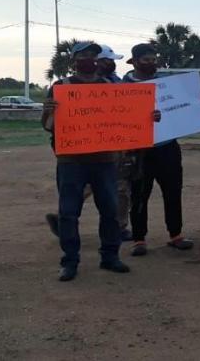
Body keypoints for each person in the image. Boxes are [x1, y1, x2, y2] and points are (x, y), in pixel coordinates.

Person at [42, 41, 131, 281]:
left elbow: (124, 120)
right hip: (71, 161)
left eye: (93, 55)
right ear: (74, 61)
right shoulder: (61, 87)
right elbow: (49, 127)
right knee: (69, 213)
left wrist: (148, 117)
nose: (89, 59)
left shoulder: (110, 88)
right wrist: (50, 111)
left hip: (104, 160)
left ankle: (110, 257)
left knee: (111, 211)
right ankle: (70, 261)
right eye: (83, 55)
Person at [123, 43, 193, 256]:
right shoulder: (121, 87)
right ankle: (139, 239)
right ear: (134, 61)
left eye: (154, 60)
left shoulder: (168, 84)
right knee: (139, 195)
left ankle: (175, 234)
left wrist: (198, 102)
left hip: (167, 147)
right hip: (139, 150)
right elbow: (117, 117)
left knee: (173, 192)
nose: (151, 64)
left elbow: (184, 105)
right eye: (146, 60)